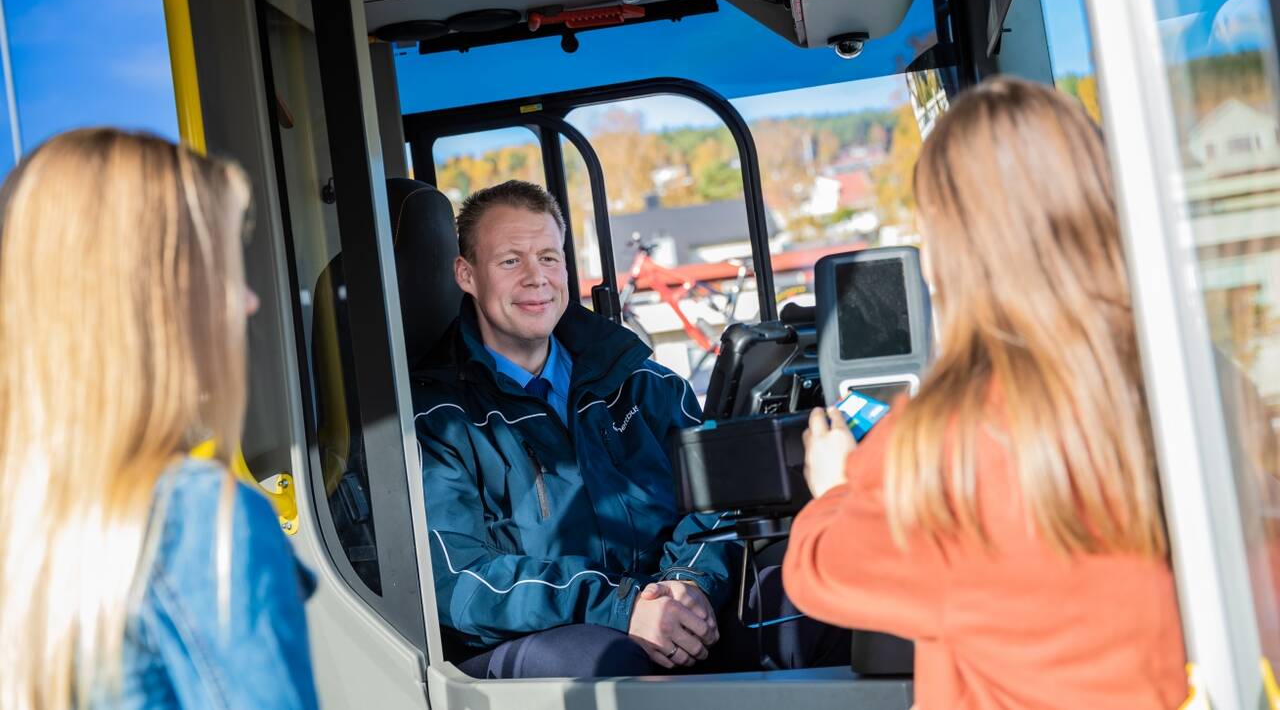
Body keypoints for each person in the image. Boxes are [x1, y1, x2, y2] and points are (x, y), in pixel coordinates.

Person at [783, 77, 1188, 709]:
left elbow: (820, 571)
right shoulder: (1195, 387)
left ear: (950, 253)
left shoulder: (946, 442)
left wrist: (836, 490)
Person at [414, 181, 847, 678]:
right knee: (607, 662)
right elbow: (461, 582)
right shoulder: (438, 419)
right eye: (510, 261)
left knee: (821, 594)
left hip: (667, 602)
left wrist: (690, 584)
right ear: (466, 275)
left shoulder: (639, 380)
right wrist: (625, 609)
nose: (538, 279)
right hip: (544, 635)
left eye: (550, 258)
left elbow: (716, 501)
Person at [0, 130, 318, 709]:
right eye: (220, 267)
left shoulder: (27, 507)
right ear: (151, 298)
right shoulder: (199, 520)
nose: (248, 300)